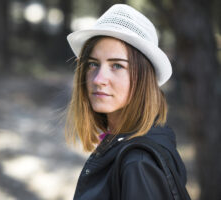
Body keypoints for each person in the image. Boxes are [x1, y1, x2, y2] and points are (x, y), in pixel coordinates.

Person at [65, 4, 189, 200]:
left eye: (117, 65)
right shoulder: (132, 141)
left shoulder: (138, 164)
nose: (98, 79)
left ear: (144, 78)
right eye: (93, 64)